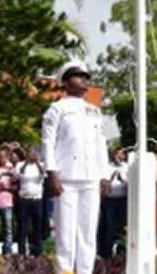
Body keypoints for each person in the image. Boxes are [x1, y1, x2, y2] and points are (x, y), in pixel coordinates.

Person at [43, 61, 109, 274]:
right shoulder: (57, 109)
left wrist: (104, 175)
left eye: (85, 76)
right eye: (78, 76)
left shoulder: (94, 111)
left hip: (91, 179)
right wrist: (51, 173)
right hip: (66, 179)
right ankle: (65, 271)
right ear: (66, 82)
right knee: (65, 233)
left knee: (88, 232)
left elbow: (101, 144)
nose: (84, 80)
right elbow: (48, 142)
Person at [17, 147, 48, 257]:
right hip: (23, 200)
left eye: (34, 152)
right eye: (30, 152)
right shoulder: (20, 164)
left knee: (37, 228)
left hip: (37, 200)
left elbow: (43, 174)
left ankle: (38, 254)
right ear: (26, 154)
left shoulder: (42, 165)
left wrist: (37, 163)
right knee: (22, 228)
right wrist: (26, 162)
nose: (32, 154)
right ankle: (21, 254)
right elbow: (19, 174)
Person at [100, 147, 129, 259]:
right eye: (117, 153)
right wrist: (111, 180)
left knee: (123, 227)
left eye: (121, 154)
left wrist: (123, 181)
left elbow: (131, 185)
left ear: (124, 156)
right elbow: (103, 185)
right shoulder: (107, 167)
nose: (119, 156)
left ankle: (121, 254)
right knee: (109, 227)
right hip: (109, 201)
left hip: (123, 200)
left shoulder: (127, 167)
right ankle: (107, 255)